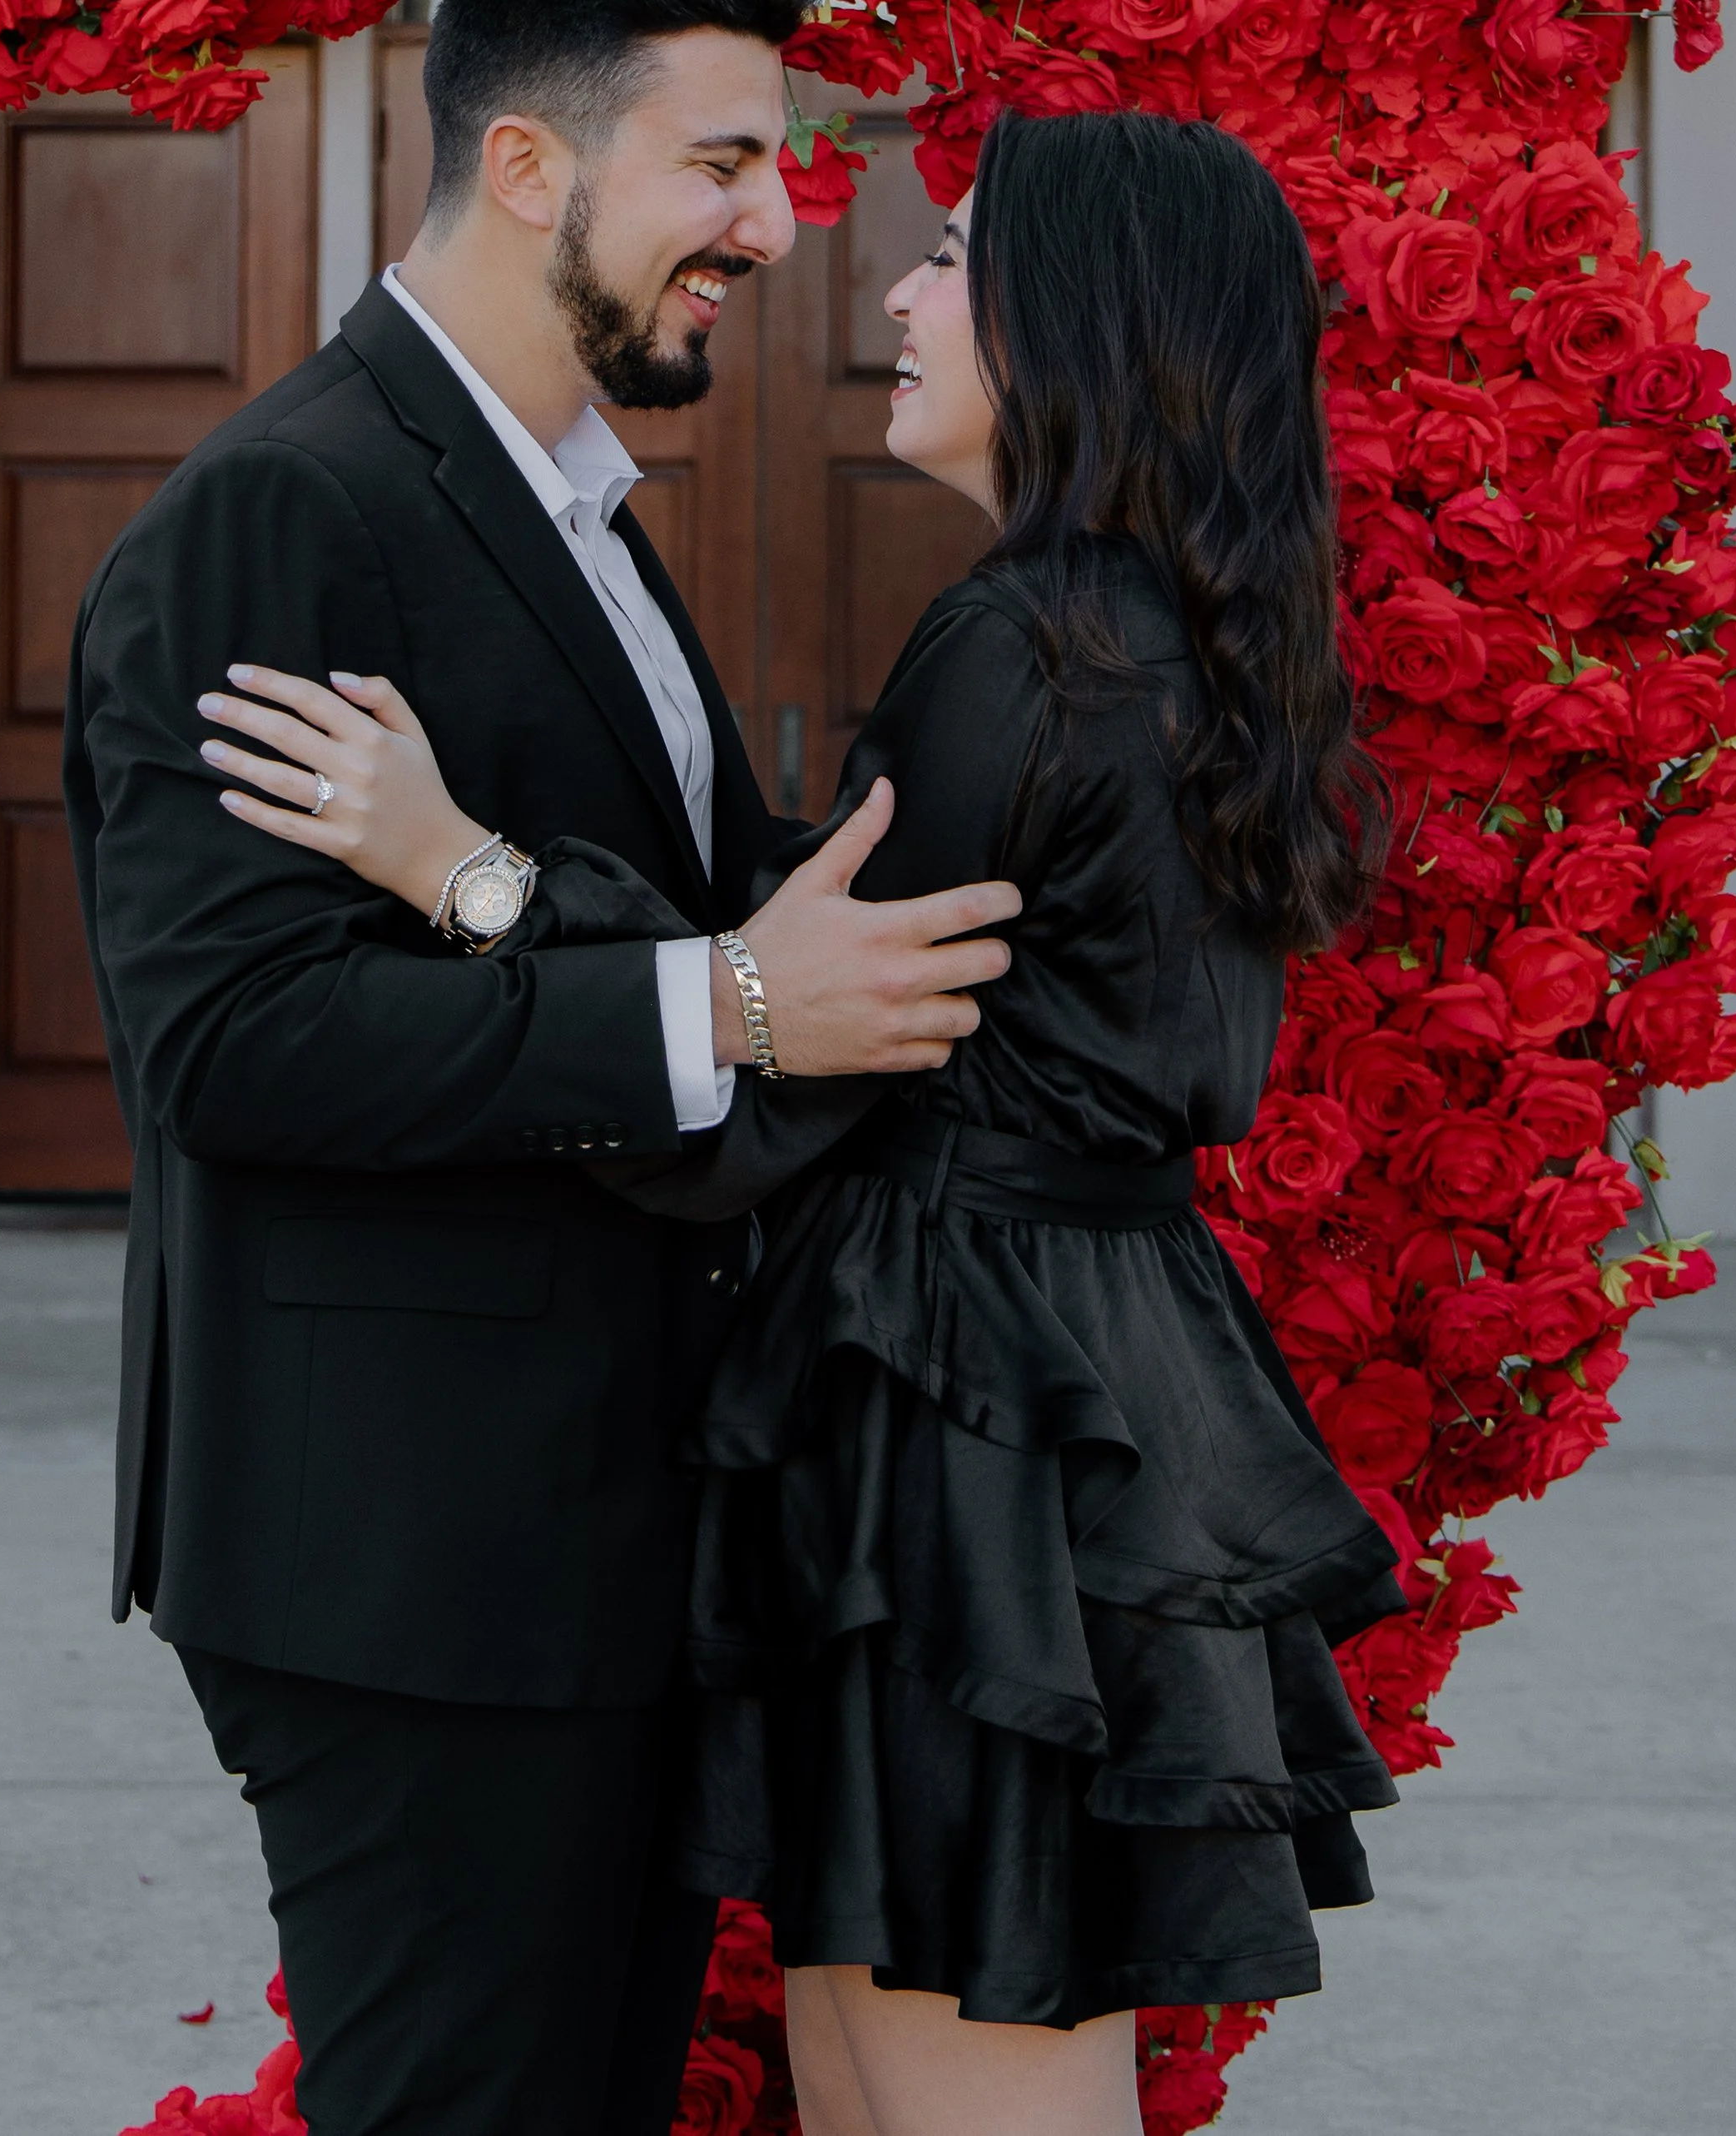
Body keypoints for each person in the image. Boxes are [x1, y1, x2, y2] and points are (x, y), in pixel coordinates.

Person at [227, 104, 1411, 2136]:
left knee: (949, 2068)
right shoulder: (1169, 637)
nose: (893, 286)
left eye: (954, 254)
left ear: (1079, 320)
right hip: (1055, 1383)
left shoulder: (1023, 644)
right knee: (905, 2061)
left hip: (974, 1420)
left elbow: (808, 1032)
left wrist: (462, 874)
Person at [62, 0, 1023, 2136]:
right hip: (408, 1563)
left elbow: (671, 916)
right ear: (525, 161)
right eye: (719, 162)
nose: (776, 226)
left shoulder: (570, 500)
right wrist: (730, 1005)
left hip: (599, 1527)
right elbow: (237, 1045)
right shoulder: (284, 514)